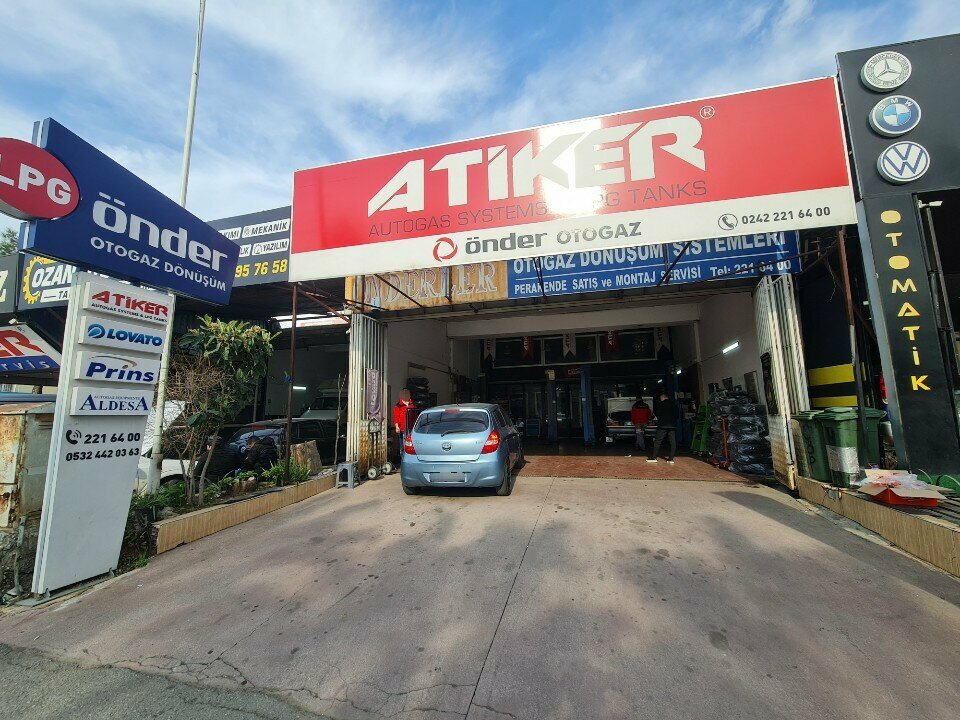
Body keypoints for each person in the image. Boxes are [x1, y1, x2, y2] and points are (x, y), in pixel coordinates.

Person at [647, 392, 678, 464]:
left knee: (657, 441)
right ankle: (671, 459)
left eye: (660, 398)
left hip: (662, 425)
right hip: (672, 425)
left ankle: (654, 457)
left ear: (662, 397)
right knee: (672, 442)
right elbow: (677, 415)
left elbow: (657, 414)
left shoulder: (660, 404)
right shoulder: (674, 404)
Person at [392, 388, 416, 463]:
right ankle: (403, 460)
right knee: (403, 444)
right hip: (402, 428)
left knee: (410, 444)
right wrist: (397, 427)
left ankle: (410, 460)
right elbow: (395, 417)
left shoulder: (412, 404)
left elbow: (415, 416)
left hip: (411, 428)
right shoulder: (398, 406)